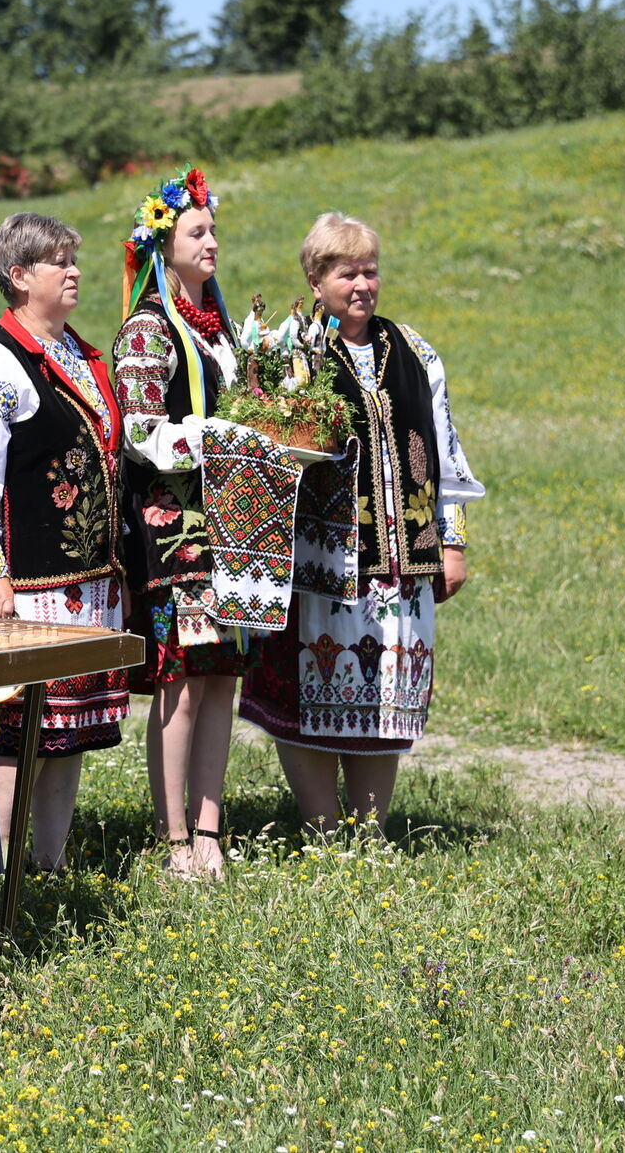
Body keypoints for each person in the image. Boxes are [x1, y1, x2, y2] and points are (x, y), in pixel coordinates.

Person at [238, 212, 484, 832]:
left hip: (401, 566)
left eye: (370, 271)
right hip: (319, 564)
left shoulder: (415, 350)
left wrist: (450, 544)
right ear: (316, 280)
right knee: (309, 695)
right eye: (346, 272)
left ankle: (370, 832)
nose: (362, 284)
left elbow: (444, 451)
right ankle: (322, 828)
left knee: (385, 697)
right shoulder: (289, 353)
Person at [0, 212, 129, 871]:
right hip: (29, 587)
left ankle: (45, 864)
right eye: (58, 260)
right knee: (22, 732)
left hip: (87, 583)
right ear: (19, 277)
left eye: (73, 257)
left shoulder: (77, 351)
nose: (74, 269)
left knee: (67, 736)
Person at [111, 166, 249, 881]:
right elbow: (140, 430)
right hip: (174, 529)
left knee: (223, 674)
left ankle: (211, 826)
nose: (213, 243)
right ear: (164, 248)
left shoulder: (222, 333)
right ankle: (172, 841)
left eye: (214, 230)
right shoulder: (148, 329)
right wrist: (219, 440)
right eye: (198, 231)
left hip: (231, 522)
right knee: (183, 679)